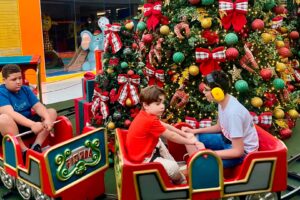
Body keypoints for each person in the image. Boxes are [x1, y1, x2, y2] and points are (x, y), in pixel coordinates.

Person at [126, 85, 204, 184]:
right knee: (173, 168)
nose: (162, 106)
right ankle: (179, 177)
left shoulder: (147, 114)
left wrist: (183, 134)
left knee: (159, 142)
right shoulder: (149, 120)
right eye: (158, 104)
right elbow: (171, 136)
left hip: (144, 151)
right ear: (145, 105)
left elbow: (167, 126)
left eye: (162, 102)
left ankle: (174, 168)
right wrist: (190, 141)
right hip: (143, 159)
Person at [183, 70, 259, 168]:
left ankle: (196, 168)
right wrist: (194, 130)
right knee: (190, 138)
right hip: (227, 140)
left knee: (204, 166)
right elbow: (219, 127)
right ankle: (194, 165)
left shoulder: (233, 113)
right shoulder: (223, 101)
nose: (203, 92)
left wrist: (208, 153)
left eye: (206, 89)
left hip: (243, 153)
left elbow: (238, 152)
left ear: (218, 92)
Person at [0, 64, 57, 161]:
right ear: (4, 80)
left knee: (51, 112)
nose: (18, 82)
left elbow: (38, 106)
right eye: (14, 79)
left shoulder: (25, 89)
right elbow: (10, 113)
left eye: (20, 78)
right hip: (12, 127)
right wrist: (32, 124)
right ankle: (24, 150)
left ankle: (36, 145)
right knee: (3, 118)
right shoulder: (2, 92)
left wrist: (47, 118)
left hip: (28, 124)